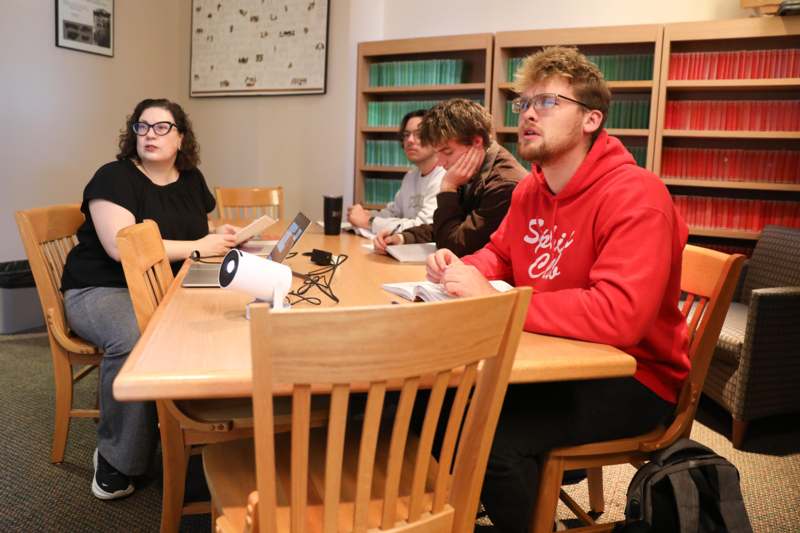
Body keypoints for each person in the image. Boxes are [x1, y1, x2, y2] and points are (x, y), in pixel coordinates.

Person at [426, 47, 689, 532]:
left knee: (486, 437)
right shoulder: (532, 188)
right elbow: (501, 255)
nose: (528, 113)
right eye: (524, 102)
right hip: (552, 358)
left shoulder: (637, 195)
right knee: (431, 406)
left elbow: (618, 316)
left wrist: (500, 301)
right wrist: (459, 267)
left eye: (547, 101)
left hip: (635, 377)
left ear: (591, 118)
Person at [61, 98, 237, 500]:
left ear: (181, 137)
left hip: (164, 284)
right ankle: (116, 458)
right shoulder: (113, 177)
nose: (150, 134)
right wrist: (199, 246)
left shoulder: (190, 179)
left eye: (162, 127)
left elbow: (197, 227)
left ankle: (201, 431)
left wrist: (218, 235)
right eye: (142, 126)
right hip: (101, 287)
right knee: (136, 338)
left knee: (225, 315)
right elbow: (121, 248)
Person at [374, 98, 525, 257]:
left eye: (447, 152)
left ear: (477, 142)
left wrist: (448, 188)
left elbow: (456, 247)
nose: (440, 162)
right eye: (437, 152)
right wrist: (404, 237)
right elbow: (447, 227)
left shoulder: (504, 185)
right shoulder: (472, 170)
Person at [347, 110, 445, 235]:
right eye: (406, 135)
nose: (410, 140)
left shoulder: (444, 177)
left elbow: (424, 227)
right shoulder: (411, 176)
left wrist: (369, 222)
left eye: (419, 134)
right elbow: (393, 213)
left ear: (437, 139)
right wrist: (365, 214)